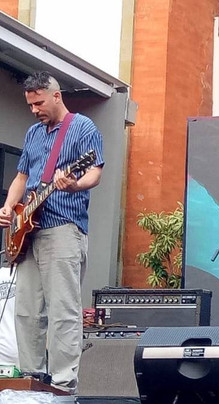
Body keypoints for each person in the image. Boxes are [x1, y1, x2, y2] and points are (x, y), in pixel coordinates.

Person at [0, 71, 103, 392]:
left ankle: (63, 383)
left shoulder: (83, 127)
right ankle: (32, 377)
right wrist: (9, 207)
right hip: (27, 231)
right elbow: (22, 177)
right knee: (27, 310)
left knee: (63, 309)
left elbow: (94, 172)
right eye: (30, 105)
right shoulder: (33, 133)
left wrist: (74, 184)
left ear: (56, 96)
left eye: (39, 103)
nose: (34, 110)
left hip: (63, 226)